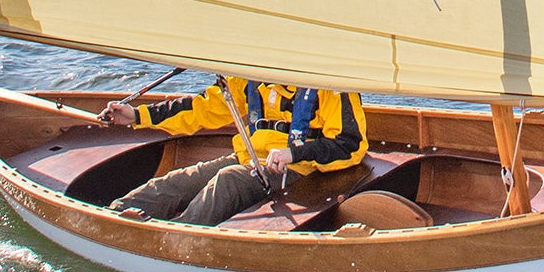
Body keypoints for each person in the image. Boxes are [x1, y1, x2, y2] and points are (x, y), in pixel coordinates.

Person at [100, 78, 367, 226]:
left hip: (294, 171)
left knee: (229, 179)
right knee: (178, 181)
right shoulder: (249, 77)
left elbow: (350, 145)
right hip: (248, 159)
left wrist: (294, 154)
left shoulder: (330, 85)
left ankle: (176, 236)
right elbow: (201, 108)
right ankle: (113, 217)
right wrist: (137, 115)